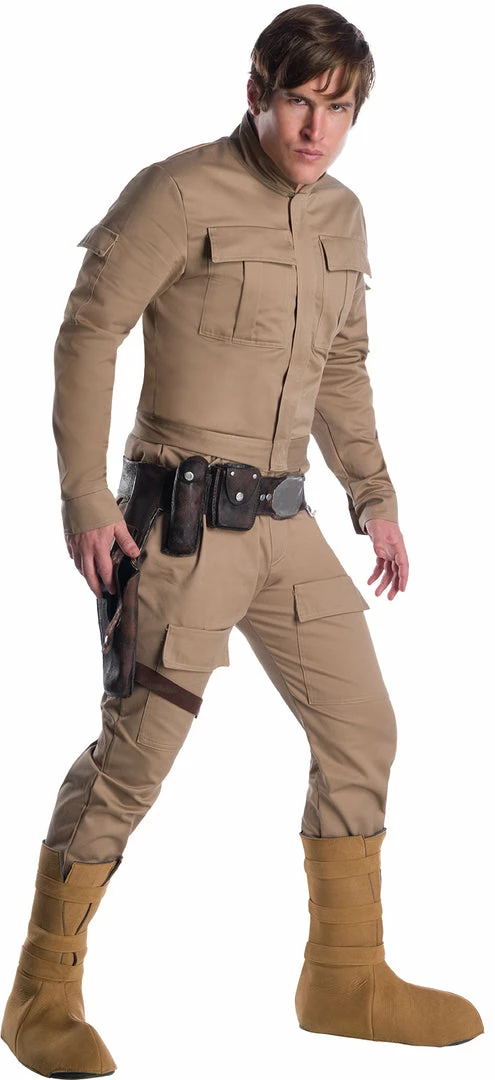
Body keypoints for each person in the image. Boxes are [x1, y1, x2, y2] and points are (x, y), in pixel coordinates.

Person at [1, 5, 484, 1076]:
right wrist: (84, 499)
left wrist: (375, 497)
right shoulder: (177, 193)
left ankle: (346, 977)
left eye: (338, 109)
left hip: (284, 524)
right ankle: (41, 990)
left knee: (362, 730)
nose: (316, 129)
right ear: (257, 92)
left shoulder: (344, 217)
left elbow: (343, 368)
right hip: (179, 530)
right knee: (136, 757)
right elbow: (87, 333)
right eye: (299, 101)